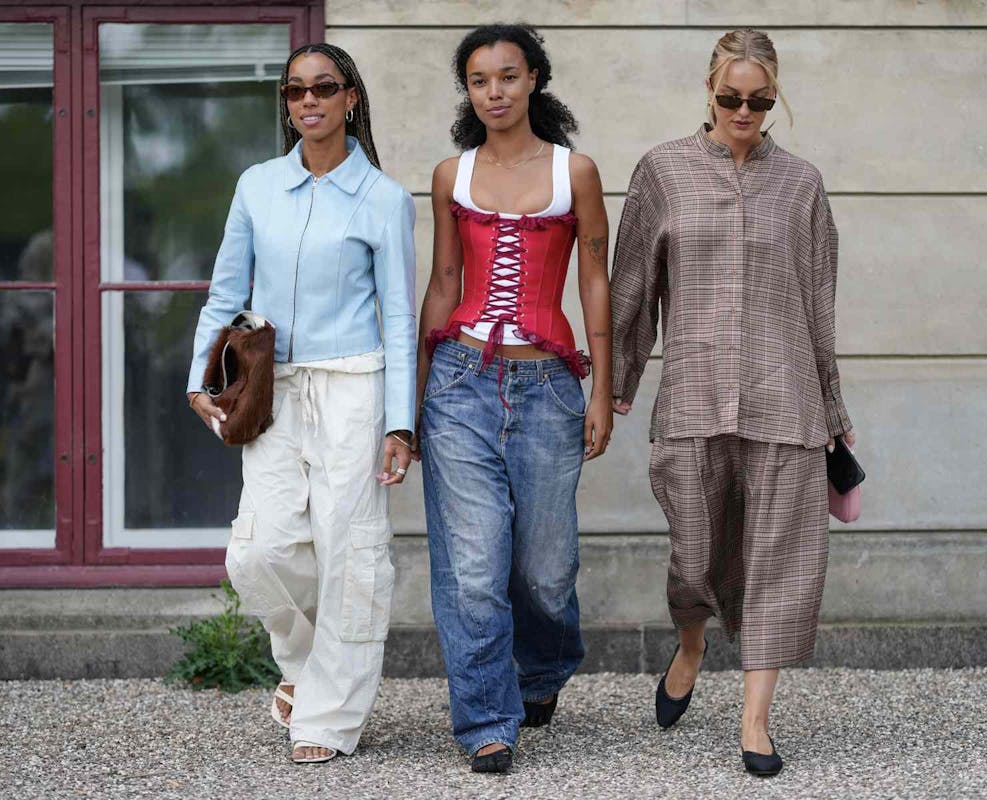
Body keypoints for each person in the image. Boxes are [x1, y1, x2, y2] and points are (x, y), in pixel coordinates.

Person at [610, 28, 855, 776]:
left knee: (781, 562)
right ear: (709, 92)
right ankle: (691, 643)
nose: (744, 112)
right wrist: (616, 385)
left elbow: (819, 304)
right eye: (730, 98)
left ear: (775, 98)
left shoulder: (802, 185)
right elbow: (631, 288)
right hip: (693, 399)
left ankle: (755, 722)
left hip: (787, 402)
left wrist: (833, 412)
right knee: (694, 558)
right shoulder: (663, 172)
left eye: (760, 100)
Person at [185, 42, 416, 764]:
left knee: (350, 551)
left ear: (351, 98)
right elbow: (227, 291)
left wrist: (401, 422)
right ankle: (308, 665)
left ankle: (329, 719)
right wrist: (198, 377)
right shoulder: (257, 186)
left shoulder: (383, 198)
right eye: (294, 91)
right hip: (270, 389)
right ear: (286, 104)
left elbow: (400, 316)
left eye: (323, 87)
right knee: (260, 550)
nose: (308, 100)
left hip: (354, 386)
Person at [416, 23, 612, 774]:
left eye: (507, 76)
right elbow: (443, 284)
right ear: (467, 91)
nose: (493, 91)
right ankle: (487, 721)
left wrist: (603, 388)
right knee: (472, 567)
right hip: (460, 382)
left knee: (545, 570)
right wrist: (414, 400)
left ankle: (543, 668)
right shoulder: (451, 175)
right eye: (478, 80)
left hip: (548, 387)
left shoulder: (574, 171)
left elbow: (593, 279)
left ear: (533, 79)